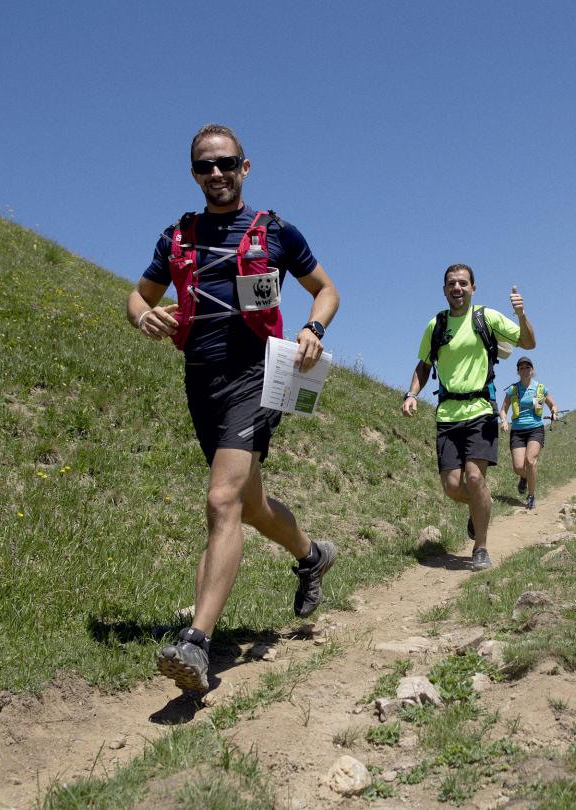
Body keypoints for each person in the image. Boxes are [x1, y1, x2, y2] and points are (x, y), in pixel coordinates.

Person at [126, 124, 340, 695]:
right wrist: (141, 315)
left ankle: (196, 643)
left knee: (222, 500)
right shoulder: (177, 237)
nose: (216, 173)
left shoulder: (275, 232)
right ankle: (312, 556)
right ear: (194, 174)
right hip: (200, 379)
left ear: (245, 167)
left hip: (257, 376)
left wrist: (313, 328)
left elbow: (326, 290)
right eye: (205, 166)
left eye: (226, 163)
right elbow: (139, 295)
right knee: (249, 505)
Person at [400, 264, 535, 571]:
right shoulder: (436, 324)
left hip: (481, 411)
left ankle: (481, 547)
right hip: (447, 414)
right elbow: (424, 365)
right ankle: (480, 504)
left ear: (473, 288)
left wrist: (521, 315)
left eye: (463, 283)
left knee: (474, 478)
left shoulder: (486, 317)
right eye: (451, 284)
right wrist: (411, 394)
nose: (457, 288)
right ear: (444, 290)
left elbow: (528, 343)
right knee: (452, 487)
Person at [499, 356, 558, 510]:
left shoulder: (540, 389)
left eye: (527, 367)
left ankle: (531, 496)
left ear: (532, 370)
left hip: (535, 429)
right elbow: (503, 410)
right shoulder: (513, 390)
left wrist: (553, 413)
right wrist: (504, 421)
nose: (524, 370)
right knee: (519, 467)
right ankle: (524, 477)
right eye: (521, 368)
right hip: (517, 431)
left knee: (530, 461)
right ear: (518, 371)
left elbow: (553, 406)